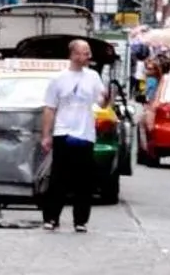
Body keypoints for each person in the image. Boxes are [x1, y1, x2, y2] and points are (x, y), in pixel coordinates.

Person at [40, 38, 107, 233]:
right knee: (58, 178)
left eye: (88, 52)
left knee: (84, 180)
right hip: (63, 132)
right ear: (73, 54)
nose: (88, 56)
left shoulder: (93, 76)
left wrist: (107, 98)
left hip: (85, 133)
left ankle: (80, 220)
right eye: (84, 52)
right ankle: (51, 217)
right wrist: (46, 135)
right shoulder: (59, 79)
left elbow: (102, 102)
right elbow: (50, 108)